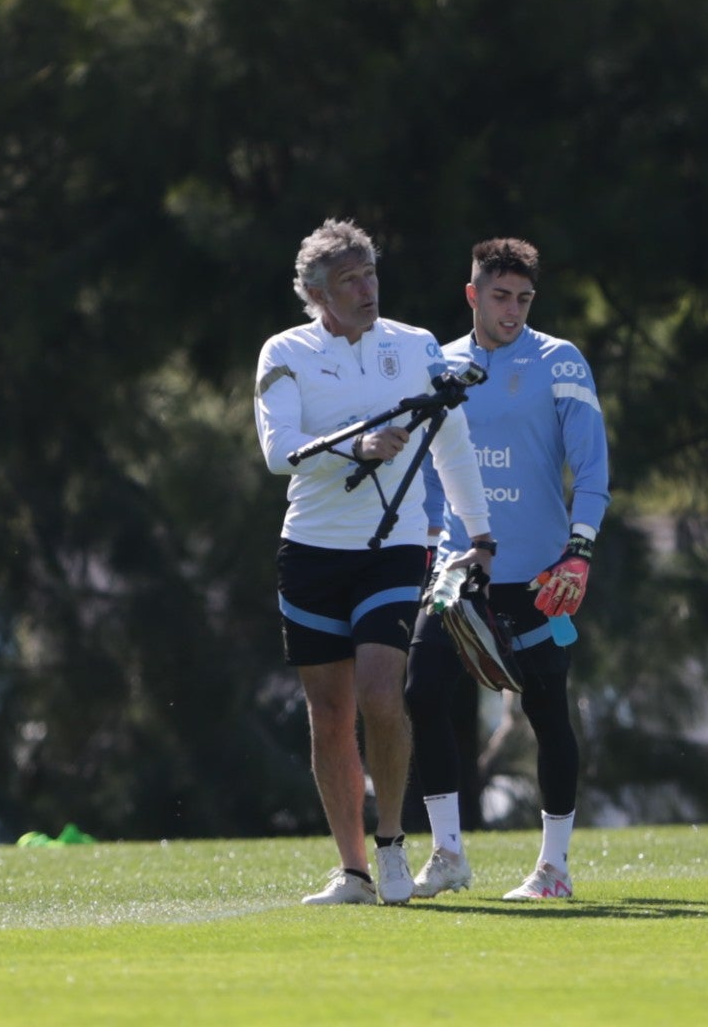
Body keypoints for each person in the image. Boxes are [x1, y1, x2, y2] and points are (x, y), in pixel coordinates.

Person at [254, 218, 498, 906]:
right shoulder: (286, 351)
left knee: (382, 695)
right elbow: (280, 449)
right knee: (329, 714)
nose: (367, 290)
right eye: (349, 281)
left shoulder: (415, 346)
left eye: (370, 275)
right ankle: (353, 871)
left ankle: (393, 846)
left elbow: (452, 443)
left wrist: (480, 535)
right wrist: (357, 448)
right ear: (315, 292)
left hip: (394, 548)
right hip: (310, 551)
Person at [407, 237, 610, 902]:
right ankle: (446, 854)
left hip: (539, 576)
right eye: (500, 296)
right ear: (473, 295)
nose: (513, 310)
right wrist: (430, 545)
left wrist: (579, 551)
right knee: (422, 692)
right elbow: (431, 468)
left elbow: (592, 464)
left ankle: (553, 869)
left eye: (524, 298)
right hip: (458, 572)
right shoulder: (440, 363)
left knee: (549, 715)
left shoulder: (560, 360)